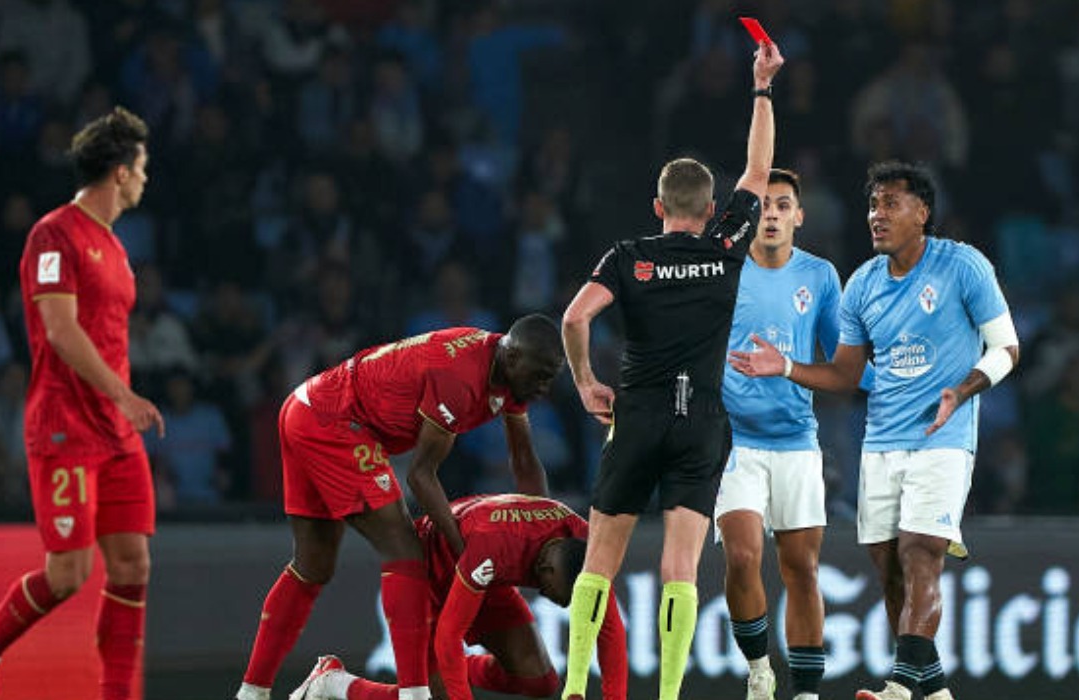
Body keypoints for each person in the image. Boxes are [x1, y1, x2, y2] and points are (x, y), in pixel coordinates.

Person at [732, 161, 1020, 700]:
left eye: (890, 204)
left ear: (922, 213)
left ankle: (900, 687)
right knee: (891, 573)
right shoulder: (862, 284)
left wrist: (963, 390)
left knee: (920, 556)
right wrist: (788, 367)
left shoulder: (963, 266)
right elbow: (844, 374)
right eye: (872, 205)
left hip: (944, 438)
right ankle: (933, 694)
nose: (876, 215)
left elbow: (1007, 346)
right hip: (881, 442)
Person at [559, 40, 784, 700]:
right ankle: (667, 696)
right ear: (712, 211)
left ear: (659, 207)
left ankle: (577, 687)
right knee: (679, 565)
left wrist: (583, 383)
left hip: (639, 411)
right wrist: (762, 88)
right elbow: (759, 166)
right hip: (702, 421)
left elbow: (575, 319)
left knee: (601, 560)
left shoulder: (629, 256)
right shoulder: (725, 247)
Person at [235, 317, 565, 700]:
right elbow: (421, 477)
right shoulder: (459, 379)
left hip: (307, 407)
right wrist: (466, 553)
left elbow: (524, 461)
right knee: (405, 549)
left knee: (313, 565)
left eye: (550, 378)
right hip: (335, 420)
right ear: (511, 356)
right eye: (540, 376)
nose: (544, 387)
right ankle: (414, 693)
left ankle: (251, 693)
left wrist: (543, 525)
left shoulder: (507, 372)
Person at [0, 106, 165, 700]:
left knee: (132, 568)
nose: (147, 178)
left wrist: (121, 403)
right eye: (143, 167)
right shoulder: (54, 234)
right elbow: (59, 329)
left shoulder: (116, 249)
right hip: (65, 426)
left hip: (115, 434)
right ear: (121, 172)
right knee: (68, 575)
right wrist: (124, 395)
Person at [288, 494, 628, 700]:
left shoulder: (589, 547)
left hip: (478, 573)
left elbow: (610, 631)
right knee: (431, 697)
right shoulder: (496, 546)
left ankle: (444, 676)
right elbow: (450, 636)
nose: (563, 605)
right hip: (427, 570)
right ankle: (331, 683)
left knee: (541, 680)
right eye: (560, 597)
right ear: (547, 570)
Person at [717, 168, 845, 700]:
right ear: (750, 215)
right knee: (743, 558)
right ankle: (758, 670)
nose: (770, 213)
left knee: (802, 569)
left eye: (781, 205)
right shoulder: (723, 273)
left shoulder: (820, 277)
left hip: (796, 441)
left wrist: (786, 367)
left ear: (798, 215)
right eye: (763, 204)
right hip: (733, 443)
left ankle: (809, 693)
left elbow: (842, 370)